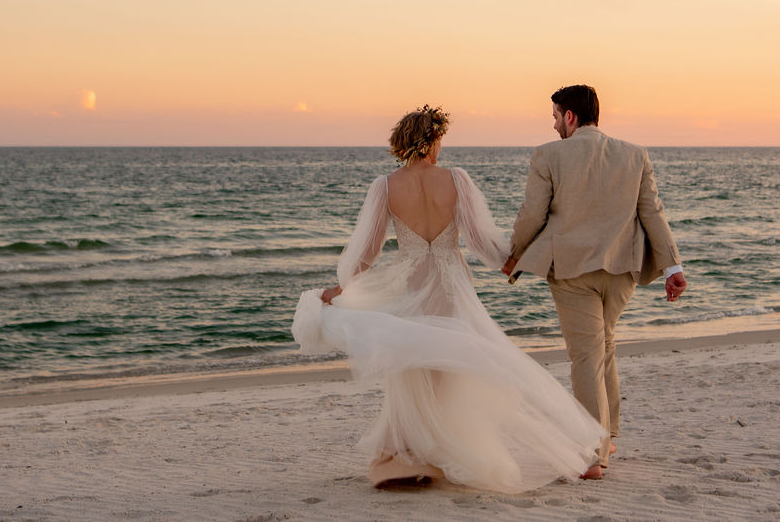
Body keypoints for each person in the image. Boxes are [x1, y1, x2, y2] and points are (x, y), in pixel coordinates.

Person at [291, 105, 605, 493]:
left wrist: (342, 289)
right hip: (451, 286)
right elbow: (480, 240)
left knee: (412, 368)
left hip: (410, 287)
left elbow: (366, 253)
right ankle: (454, 450)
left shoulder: (385, 186)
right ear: (433, 139)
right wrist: (511, 262)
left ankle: (409, 455)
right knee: (461, 367)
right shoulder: (457, 180)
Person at [501, 84, 687, 481]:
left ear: (570, 116)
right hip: (622, 270)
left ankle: (592, 455)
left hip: (571, 270)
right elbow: (652, 212)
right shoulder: (634, 154)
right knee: (604, 348)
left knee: (586, 356)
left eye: (555, 116)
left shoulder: (548, 155)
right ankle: (609, 436)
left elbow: (533, 215)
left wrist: (514, 253)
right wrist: (672, 268)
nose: (553, 125)